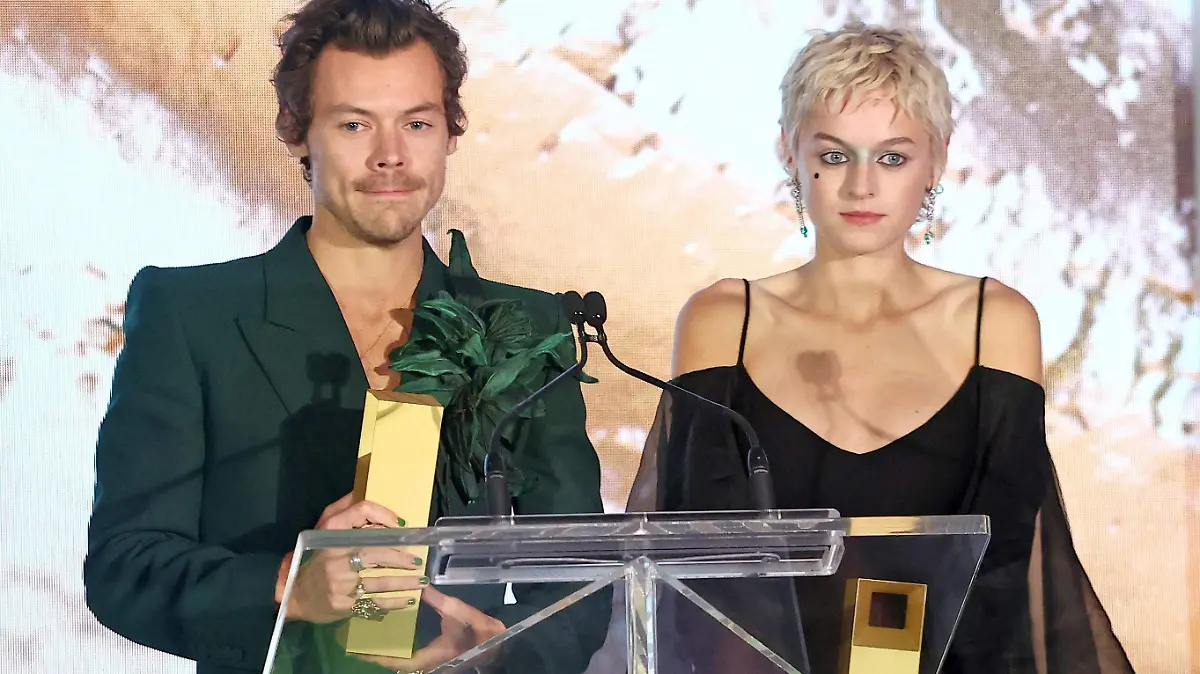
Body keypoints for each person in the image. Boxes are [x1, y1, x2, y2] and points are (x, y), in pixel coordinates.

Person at [83, 1, 607, 673]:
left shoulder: (527, 328)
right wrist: (287, 586)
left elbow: (579, 572)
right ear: (295, 130)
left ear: (451, 132)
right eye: (355, 123)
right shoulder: (191, 313)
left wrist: (496, 651)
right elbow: (125, 568)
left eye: (416, 122)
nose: (391, 156)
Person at [626, 24, 1135, 674]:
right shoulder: (724, 320)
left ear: (938, 160)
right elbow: (699, 567)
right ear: (789, 152)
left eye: (892, 158)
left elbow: (999, 570)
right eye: (835, 156)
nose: (861, 186)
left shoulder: (996, 323)